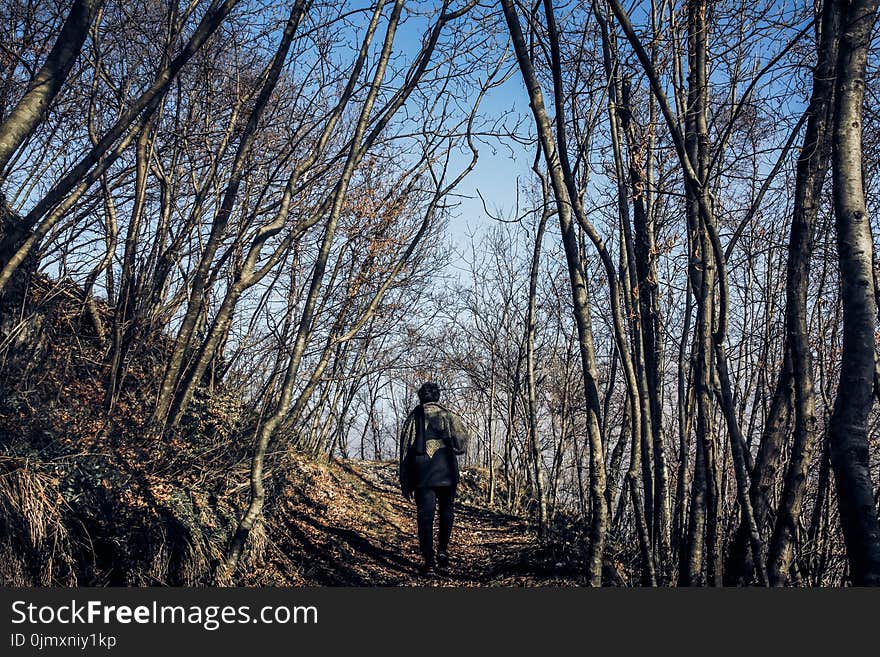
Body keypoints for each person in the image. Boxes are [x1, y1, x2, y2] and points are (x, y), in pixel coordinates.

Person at [398, 381, 469, 576]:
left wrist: (405, 481)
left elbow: (404, 452)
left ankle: (429, 562)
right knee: (447, 511)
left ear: (421, 397)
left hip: (423, 476)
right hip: (447, 472)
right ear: (437, 397)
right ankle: (443, 550)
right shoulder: (449, 416)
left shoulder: (412, 419)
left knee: (425, 517)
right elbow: (462, 445)